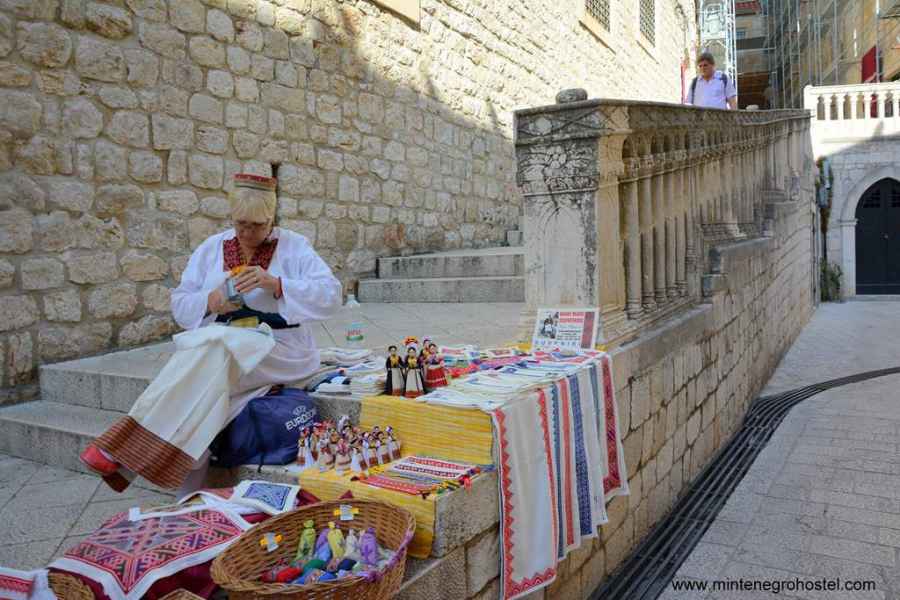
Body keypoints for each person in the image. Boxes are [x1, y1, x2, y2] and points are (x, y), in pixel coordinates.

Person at [79, 173, 343, 494]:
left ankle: (121, 448)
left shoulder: (294, 246)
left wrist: (276, 284)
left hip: (282, 350)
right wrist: (211, 301)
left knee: (205, 358)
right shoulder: (211, 248)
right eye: (240, 224)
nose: (247, 233)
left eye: (257, 226)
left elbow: (331, 295)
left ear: (271, 219)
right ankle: (187, 496)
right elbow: (181, 302)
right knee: (207, 402)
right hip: (224, 347)